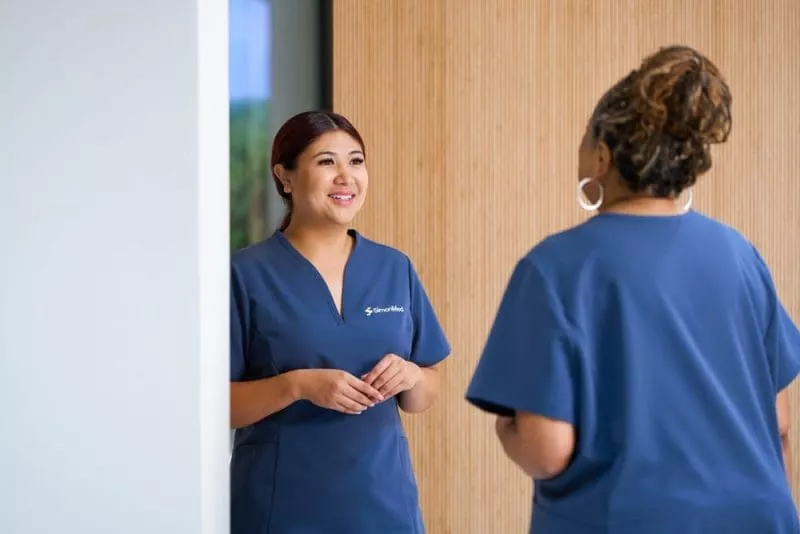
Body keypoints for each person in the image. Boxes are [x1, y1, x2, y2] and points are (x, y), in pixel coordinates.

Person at [466, 45, 800, 533]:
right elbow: (779, 423)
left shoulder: (555, 268)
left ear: (601, 156)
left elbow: (547, 451)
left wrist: (507, 428)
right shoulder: (740, 255)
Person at [229, 110, 450, 534]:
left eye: (356, 161)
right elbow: (218, 407)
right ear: (285, 176)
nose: (346, 176)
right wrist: (297, 385)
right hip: (281, 508)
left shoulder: (394, 267)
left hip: (384, 505)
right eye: (327, 162)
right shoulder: (245, 274)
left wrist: (410, 376)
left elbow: (425, 394)